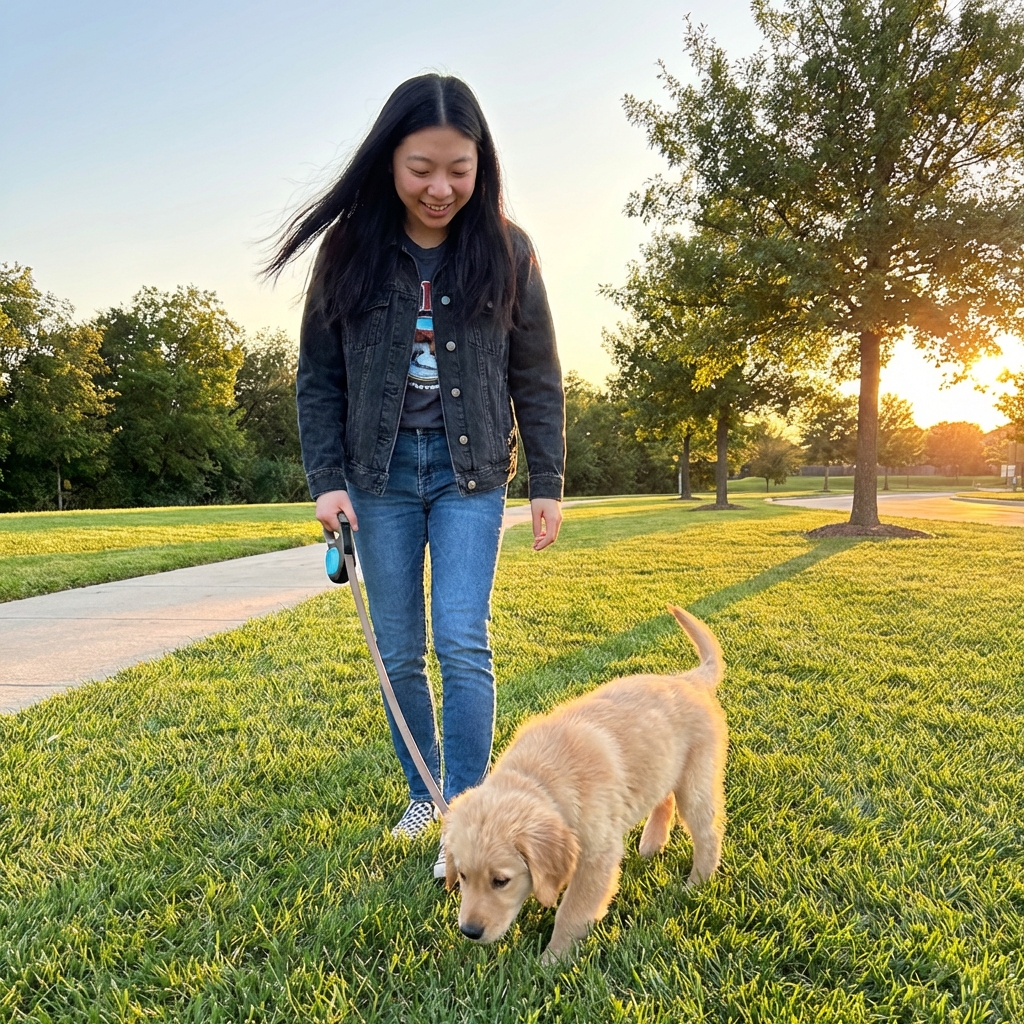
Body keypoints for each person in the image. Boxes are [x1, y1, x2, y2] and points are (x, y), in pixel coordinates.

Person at [265, 74, 565, 879]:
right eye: (421, 168)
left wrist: (547, 480)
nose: (440, 188)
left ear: (481, 164)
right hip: (378, 477)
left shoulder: (509, 248)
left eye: (458, 169)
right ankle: (425, 794)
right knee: (399, 652)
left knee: (462, 641)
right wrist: (326, 478)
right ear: (389, 161)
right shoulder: (351, 249)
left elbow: (536, 374)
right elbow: (317, 375)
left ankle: (467, 810)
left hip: (471, 478)